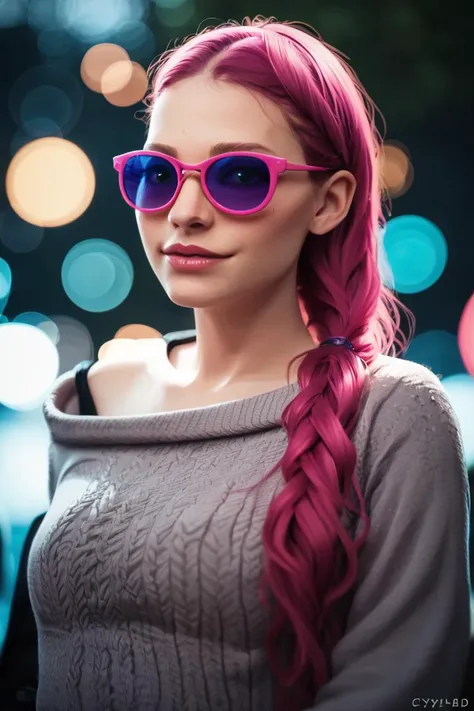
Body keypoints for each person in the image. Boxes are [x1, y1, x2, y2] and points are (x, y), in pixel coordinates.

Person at [24, 14, 470, 711]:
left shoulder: (394, 414)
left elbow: (408, 688)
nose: (186, 212)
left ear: (330, 201)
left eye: (237, 174)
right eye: (156, 173)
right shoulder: (89, 399)